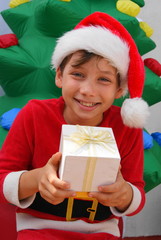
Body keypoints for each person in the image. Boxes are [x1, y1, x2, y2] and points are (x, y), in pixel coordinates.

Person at [0, 12, 149, 240]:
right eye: (78, 74)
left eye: (104, 79)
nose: (88, 90)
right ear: (59, 75)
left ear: (119, 90)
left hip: (101, 230)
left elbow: (135, 191)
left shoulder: (126, 127)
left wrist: (124, 194)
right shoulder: (34, 114)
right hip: (37, 228)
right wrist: (37, 179)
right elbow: (2, 178)